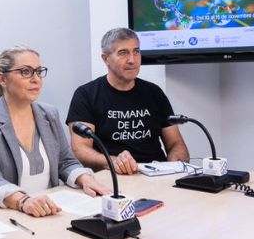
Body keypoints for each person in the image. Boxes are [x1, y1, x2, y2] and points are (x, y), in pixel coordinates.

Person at [0, 46, 108, 217]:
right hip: (6, 215)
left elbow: (66, 161)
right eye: (25, 72)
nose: (36, 80)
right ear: (2, 79)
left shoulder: (49, 114)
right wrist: (24, 201)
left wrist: (85, 179)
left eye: (39, 72)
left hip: (47, 211)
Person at [66, 27, 189, 175]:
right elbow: (80, 149)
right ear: (106, 59)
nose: (132, 60)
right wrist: (113, 161)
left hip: (156, 174)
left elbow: (175, 142)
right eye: (123, 53)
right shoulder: (86, 94)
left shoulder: (154, 93)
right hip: (113, 175)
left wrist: (176, 166)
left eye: (136, 52)